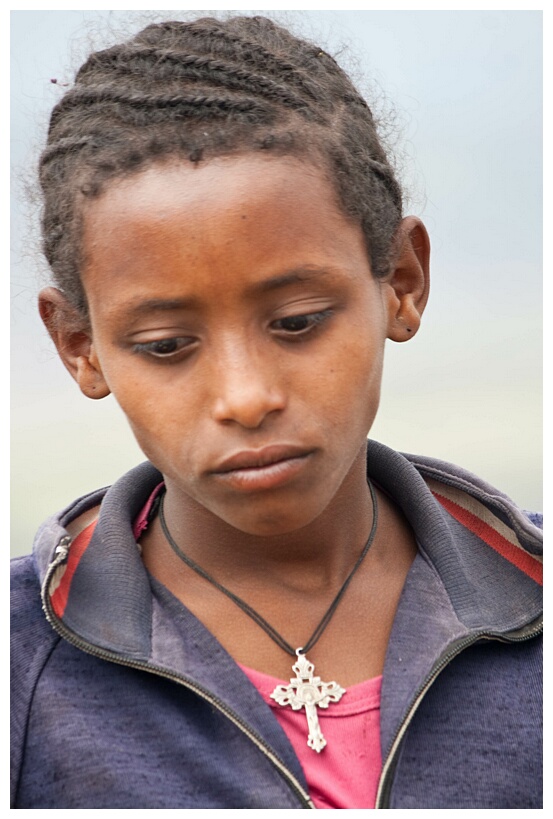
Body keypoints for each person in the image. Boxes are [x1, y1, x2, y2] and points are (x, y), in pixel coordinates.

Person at [10, 15, 542, 810]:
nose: (245, 396)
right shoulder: (25, 673)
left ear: (400, 280)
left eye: (295, 323)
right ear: (81, 346)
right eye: (164, 344)